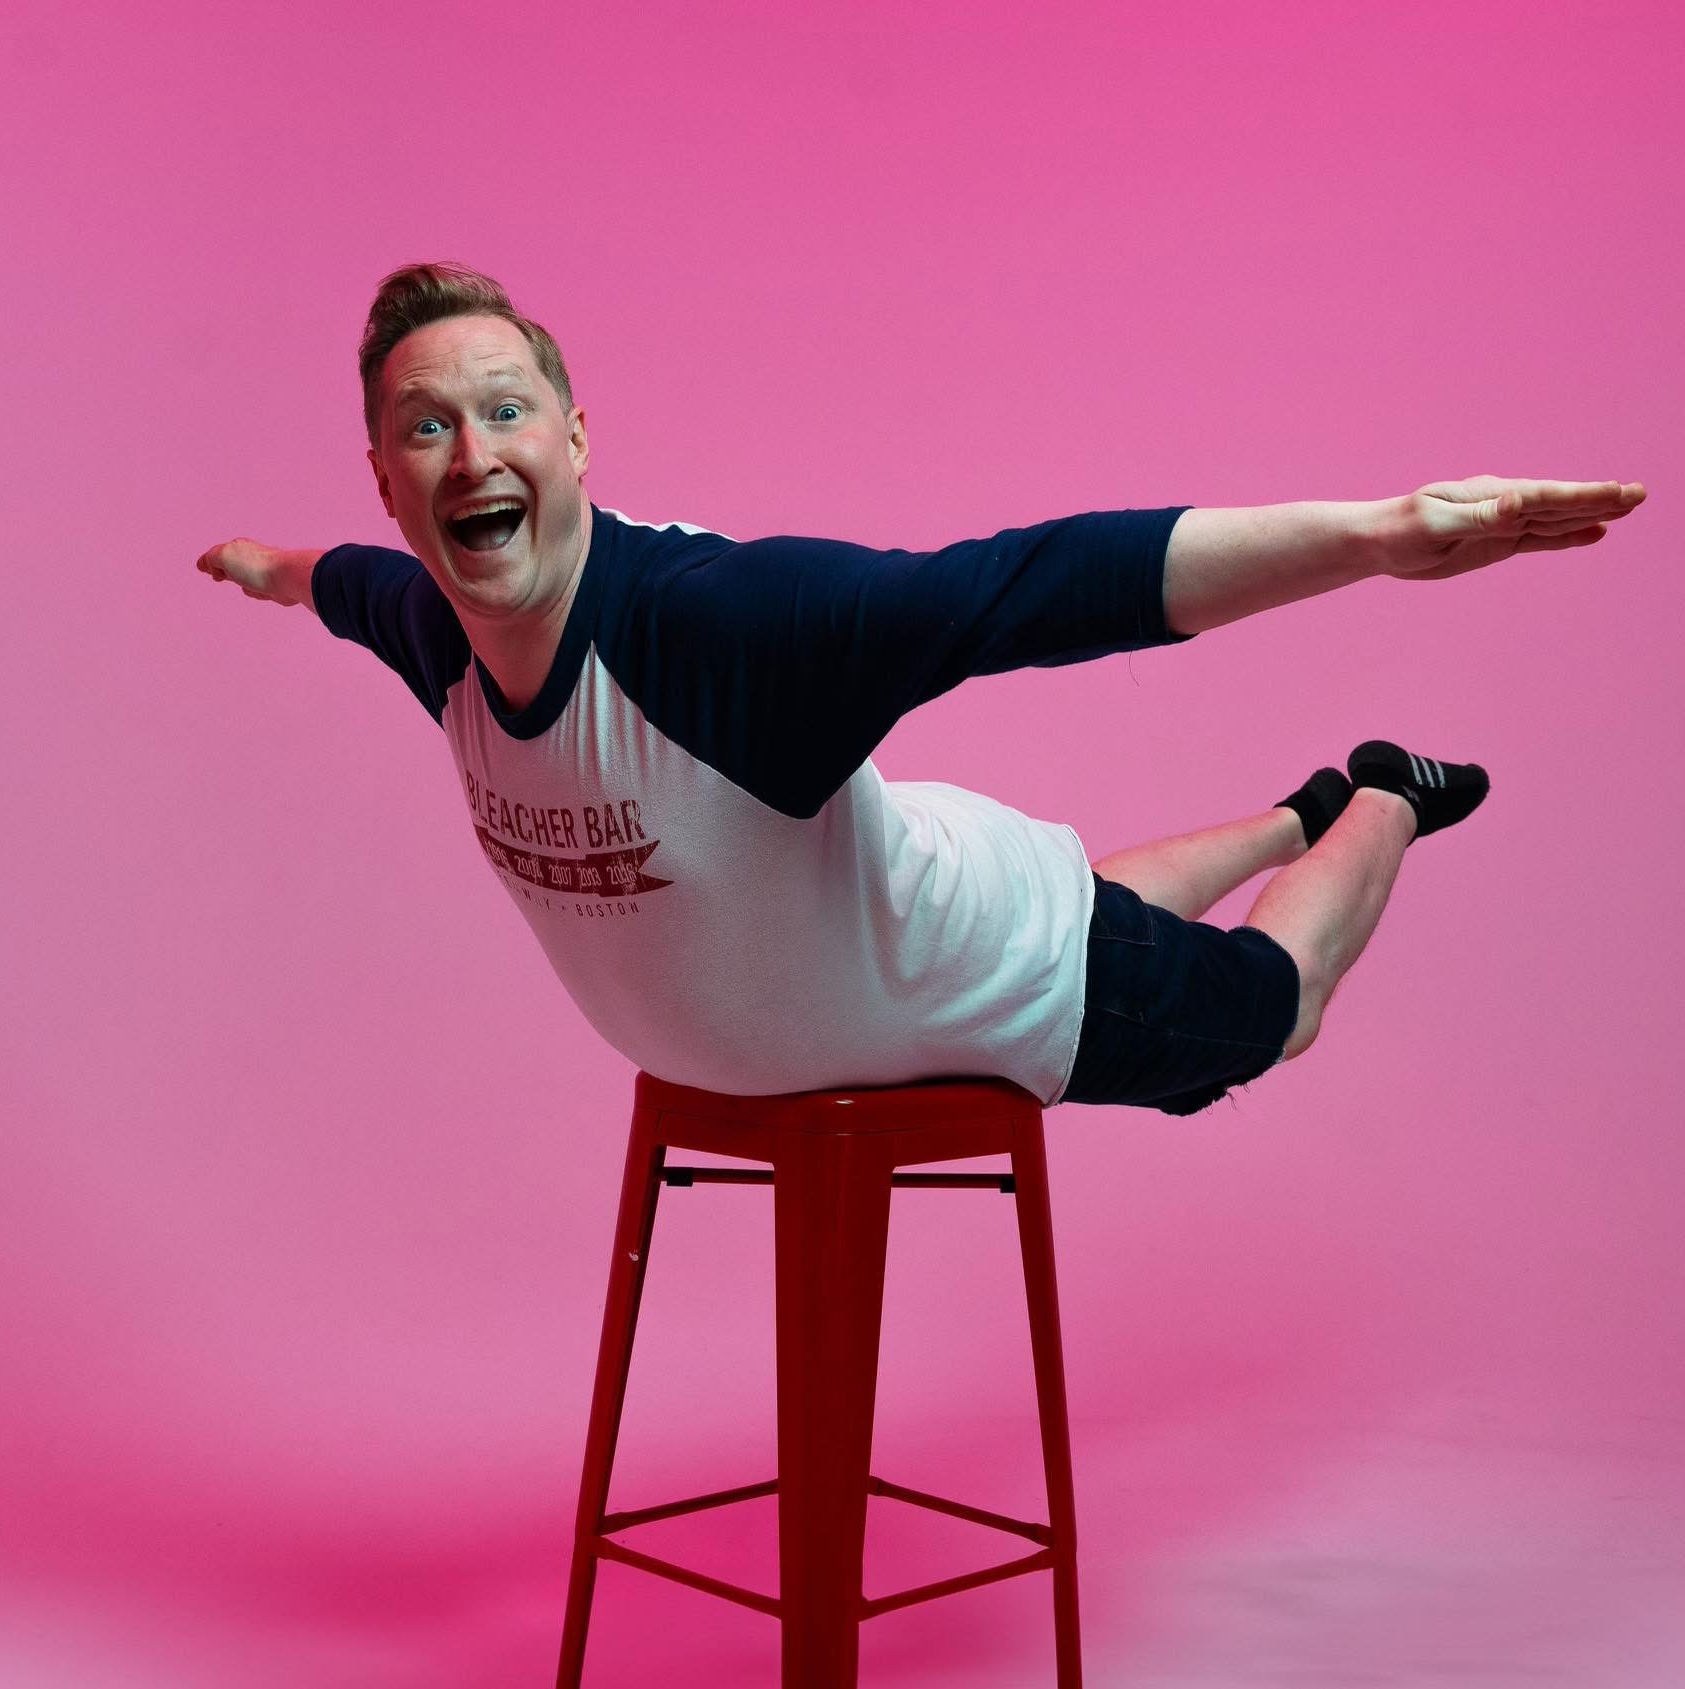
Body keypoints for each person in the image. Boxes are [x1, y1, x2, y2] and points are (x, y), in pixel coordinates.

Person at [196, 262, 1645, 1114]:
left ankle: (1377, 797)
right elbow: (339, 579)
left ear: (574, 440)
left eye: (505, 411)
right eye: (427, 429)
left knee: (1276, 1005)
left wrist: (1381, 536)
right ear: (384, 476)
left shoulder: (727, 630)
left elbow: (1031, 583)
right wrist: (265, 567)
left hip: (989, 963)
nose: (471, 455)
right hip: (891, 901)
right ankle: (1289, 816)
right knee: (1080, 892)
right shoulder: (429, 616)